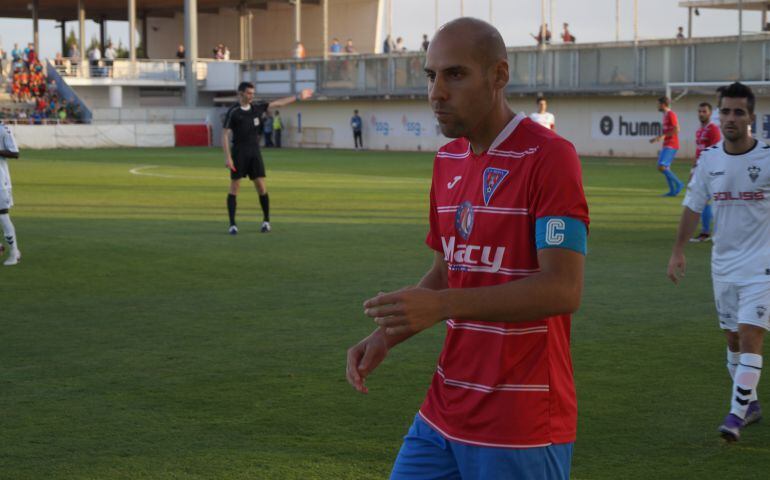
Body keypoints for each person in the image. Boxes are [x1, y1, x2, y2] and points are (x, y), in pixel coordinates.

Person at [346, 18, 588, 479]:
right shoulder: (447, 160)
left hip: (521, 421)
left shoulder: (550, 157)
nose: (437, 92)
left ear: (499, 75)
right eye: (430, 76)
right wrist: (387, 334)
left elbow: (563, 289)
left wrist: (442, 306)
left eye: (454, 74)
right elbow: (447, 270)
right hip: (444, 409)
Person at [667, 82, 769, 442]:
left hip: (762, 266)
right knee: (732, 342)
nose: (730, 118)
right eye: (725, 111)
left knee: (750, 335)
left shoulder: (768, 157)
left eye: (738, 112)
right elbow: (693, 206)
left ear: (751, 118)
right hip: (723, 266)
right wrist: (678, 250)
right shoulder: (710, 159)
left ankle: (735, 416)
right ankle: (752, 404)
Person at [222, 82, 312, 235]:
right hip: (239, 153)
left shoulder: (257, 107)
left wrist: (298, 96)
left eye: (253, 93)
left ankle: (266, 221)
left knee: (261, 187)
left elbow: (279, 103)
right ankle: (232, 224)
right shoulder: (233, 111)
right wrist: (228, 157)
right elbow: (224, 134)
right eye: (249, 93)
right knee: (234, 188)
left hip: (255, 152)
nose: (252, 96)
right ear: (241, 93)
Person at [690, 102, 721, 242]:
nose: (701, 114)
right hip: (700, 168)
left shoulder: (713, 129)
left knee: (707, 201)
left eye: (704, 111)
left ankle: (707, 232)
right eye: (699, 111)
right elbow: (699, 151)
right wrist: (693, 168)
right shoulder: (699, 130)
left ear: (710, 113)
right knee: (703, 201)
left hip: (711, 169)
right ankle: (707, 231)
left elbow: (715, 151)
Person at [649, 96, 684, 196]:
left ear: (663, 104)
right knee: (665, 168)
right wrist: (657, 138)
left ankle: (679, 183)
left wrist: (663, 136)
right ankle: (672, 191)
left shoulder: (671, 114)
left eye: (658, 104)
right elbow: (668, 131)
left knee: (661, 166)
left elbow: (677, 129)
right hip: (667, 144)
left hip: (672, 144)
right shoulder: (665, 115)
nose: (657, 106)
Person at [0, 120, 21, 266]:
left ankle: (14, 253)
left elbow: (15, 153)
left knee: (2, 215)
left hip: (0, 182)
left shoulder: (3, 129)